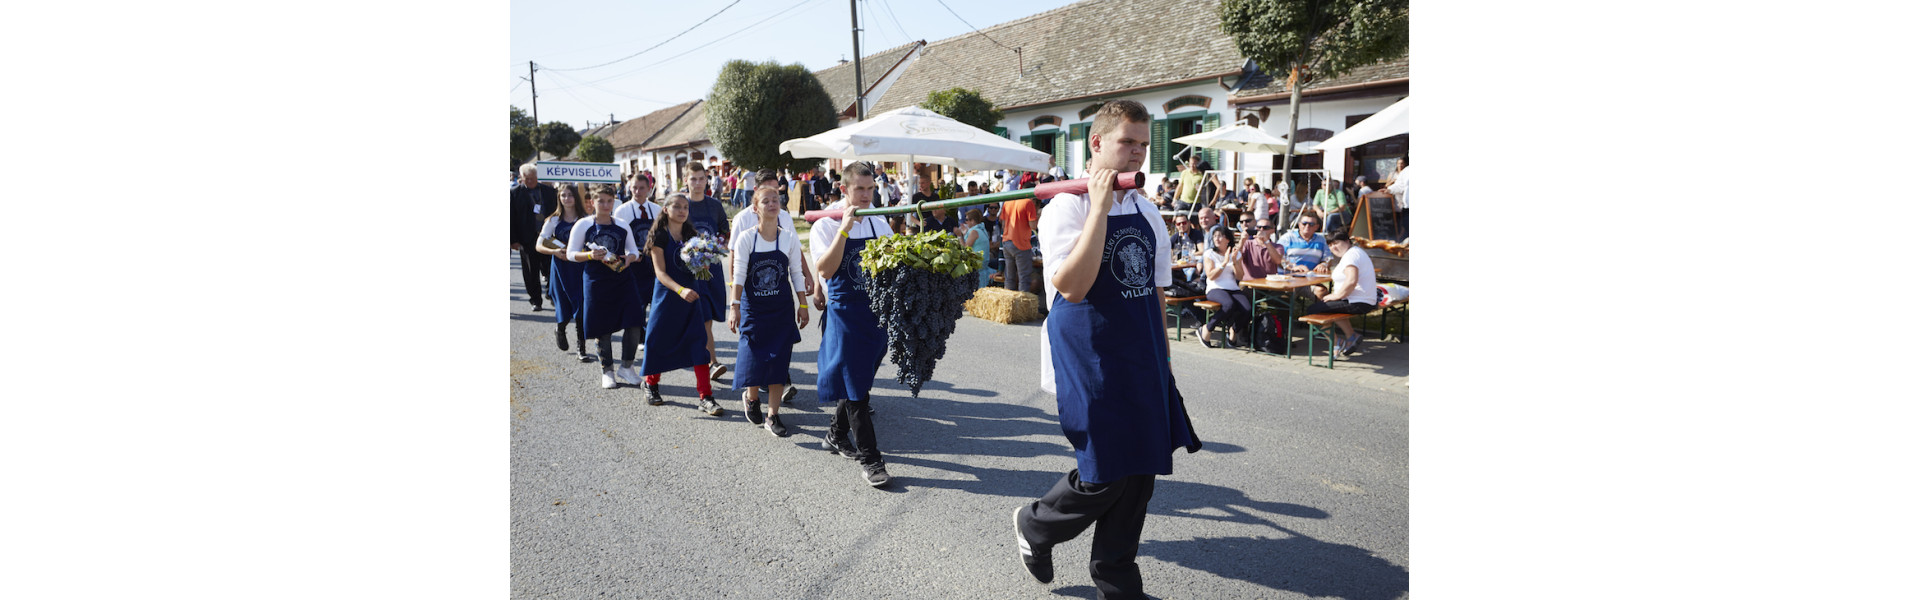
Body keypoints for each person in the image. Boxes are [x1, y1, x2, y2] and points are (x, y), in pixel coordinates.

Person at [1017, 100, 1200, 600]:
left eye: (1144, 144)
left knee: (1140, 472)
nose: (1138, 153)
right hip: (1089, 354)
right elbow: (1070, 287)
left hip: (1140, 352)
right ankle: (1037, 524)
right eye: (1128, 143)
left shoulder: (1144, 207)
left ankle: (1118, 584)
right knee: (1104, 472)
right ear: (1097, 143)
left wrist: (1163, 357)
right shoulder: (1066, 208)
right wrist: (1098, 208)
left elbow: (1157, 288)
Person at [809, 161, 895, 488]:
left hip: (874, 312)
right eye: (859, 189)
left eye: (870, 188)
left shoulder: (877, 219)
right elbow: (826, 270)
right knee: (857, 387)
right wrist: (844, 229)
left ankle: (835, 434)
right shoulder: (825, 224)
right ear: (844, 189)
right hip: (843, 311)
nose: (866, 195)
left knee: (861, 377)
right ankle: (871, 459)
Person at [727, 187, 811, 437]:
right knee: (752, 358)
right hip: (754, 309)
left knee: (778, 361)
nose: (772, 204)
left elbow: (796, 273)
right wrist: (734, 306)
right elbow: (738, 275)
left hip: (781, 309)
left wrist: (803, 304)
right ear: (755, 208)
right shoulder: (746, 238)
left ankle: (773, 415)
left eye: (776, 200)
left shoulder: (788, 238)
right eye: (766, 201)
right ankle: (752, 397)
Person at [638, 193, 724, 414]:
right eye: (676, 206)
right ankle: (650, 383)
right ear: (665, 209)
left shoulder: (691, 234)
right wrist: (680, 289)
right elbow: (660, 273)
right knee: (658, 342)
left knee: (699, 345)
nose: (682, 210)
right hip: (667, 297)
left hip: (692, 297)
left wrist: (703, 266)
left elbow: (697, 265)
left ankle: (706, 397)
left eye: (685, 207)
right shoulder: (659, 236)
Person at [564, 184, 648, 389]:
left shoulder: (621, 223)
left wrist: (630, 258)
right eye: (600, 201)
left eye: (609, 201)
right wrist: (590, 255)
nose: (605, 205)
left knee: (635, 321)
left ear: (614, 202)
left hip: (622, 277)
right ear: (592, 202)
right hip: (596, 280)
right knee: (602, 326)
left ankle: (627, 367)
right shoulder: (583, 224)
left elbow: (633, 250)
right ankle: (607, 370)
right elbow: (570, 254)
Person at [681, 163, 733, 380]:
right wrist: (691, 255)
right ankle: (712, 362)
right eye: (693, 179)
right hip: (689, 270)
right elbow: (675, 236)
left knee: (708, 315)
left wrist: (713, 250)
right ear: (686, 180)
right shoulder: (681, 205)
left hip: (713, 269)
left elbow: (724, 232)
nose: (698, 183)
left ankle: (705, 359)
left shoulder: (714, 205)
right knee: (701, 316)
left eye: (702, 178)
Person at [534, 182, 594, 363]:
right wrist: (554, 252)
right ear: (559, 198)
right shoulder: (553, 220)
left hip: (581, 267)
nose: (567, 198)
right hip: (561, 269)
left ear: (576, 197)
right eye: (563, 195)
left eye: (570, 195)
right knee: (563, 304)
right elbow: (539, 245)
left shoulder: (585, 219)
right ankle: (560, 328)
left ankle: (581, 347)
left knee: (582, 306)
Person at [1301, 228, 1377, 356]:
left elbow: (1352, 280)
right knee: (1326, 305)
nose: (1333, 247)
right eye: (1330, 245)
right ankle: (1351, 336)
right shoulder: (1354, 252)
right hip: (1362, 299)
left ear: (1347, 241)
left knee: (1313, 310)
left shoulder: (1350, 256)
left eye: (1336, 243)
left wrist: (1337, 295)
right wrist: (1336, 297)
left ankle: (1336, 343)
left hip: (1358, 301)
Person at [614, 174, 661, 339]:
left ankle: (653, 332)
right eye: (634, 187)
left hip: (654, 262)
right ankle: (640, 335)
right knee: (637, 301)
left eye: (642, 188)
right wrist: (630, 253)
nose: (637, 191)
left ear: (649, 189)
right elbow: (618, 237)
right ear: (628, 188)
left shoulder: (657, 210)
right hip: (634, 262)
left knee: (656, 300)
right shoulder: (621, 211)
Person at [511, 162, 557, 311]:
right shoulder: (514, 193)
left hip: (547, 237)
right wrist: (513, 240)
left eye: (533, 178)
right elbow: (510, 218)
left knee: (551, 268)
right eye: (527, 178)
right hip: (527, 238)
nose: (530, 181)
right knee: (531, 271)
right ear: (521, 178)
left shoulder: (548, 191)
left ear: (538, 177)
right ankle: (535, 300)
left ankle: (550, 293)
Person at [1199, 228, 1251, 348]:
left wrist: (1234, 262)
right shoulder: (1209, 254)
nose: (1216, 239)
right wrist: (1224, 263)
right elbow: (1211, 276)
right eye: (1215, 236)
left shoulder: (1236, 253)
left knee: (1247, 309)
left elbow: (1240, 276)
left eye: (1220, 236)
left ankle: (1233, 330)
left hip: (1233, 288)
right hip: (1215, 288)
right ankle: (1207, 328)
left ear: (1227, 239)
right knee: (1229, 304)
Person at [1001, 185, 1041, 295]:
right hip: (1021, 243)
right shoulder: (1028, 203)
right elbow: (1033, 226)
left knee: (1009, 277)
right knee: (1024, 278)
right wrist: (1038, 216)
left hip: (1006, 241)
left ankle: (1009, 305)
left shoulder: (1008, 201)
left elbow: (1003, 224)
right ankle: (1022, 306)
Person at [962, 211, 995, 289]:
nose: (965, 222)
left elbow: (964, 248)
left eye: (966, 220)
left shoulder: (974, 232)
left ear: (972, 221)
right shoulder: (982, 229)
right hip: (983, 265)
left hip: (977, 267)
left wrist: (959, 236)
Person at [1384, 156, 1410, 242]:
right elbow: (1400, 185)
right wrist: (1389, 190)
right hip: (1407, 206)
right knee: (1406, 227)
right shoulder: (1407, 171)